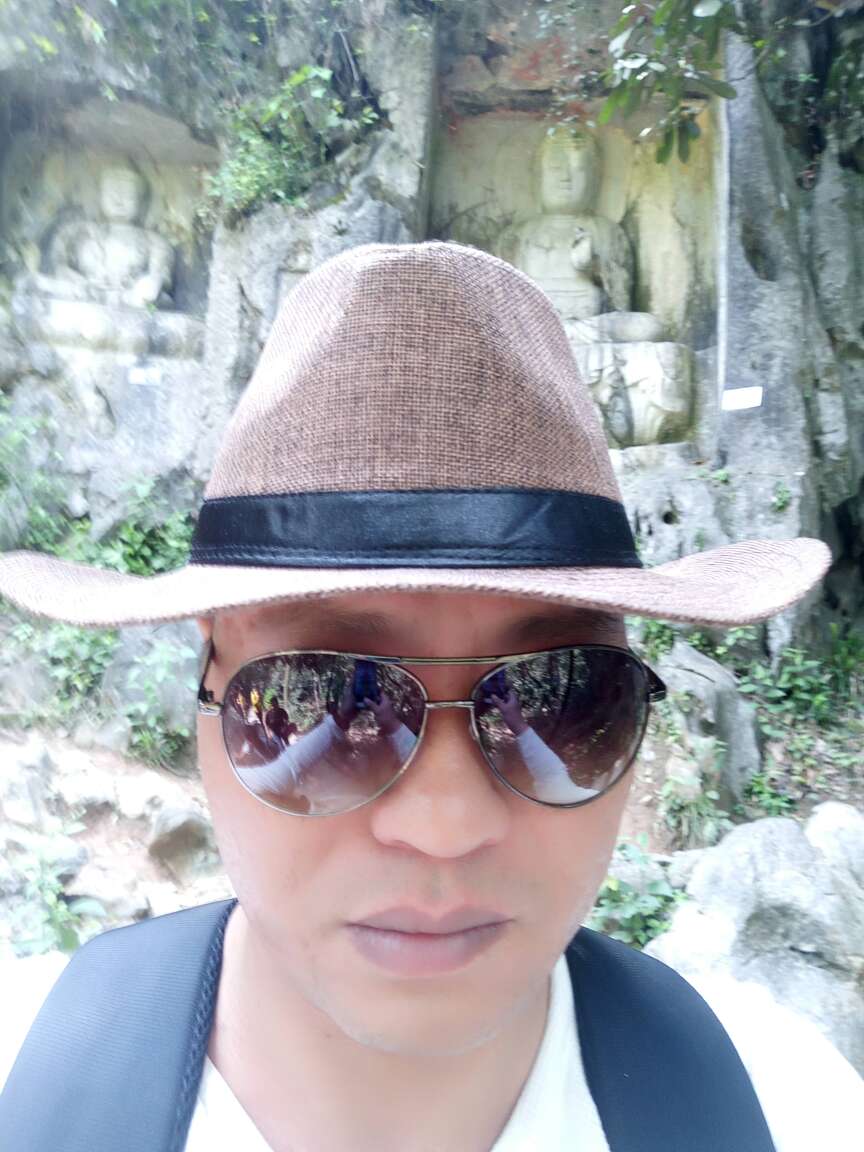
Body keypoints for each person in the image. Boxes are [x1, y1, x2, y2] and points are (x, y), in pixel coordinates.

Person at [0, 241, 860, 1151]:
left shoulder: (791, 1108)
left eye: (563, 701)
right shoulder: (28, 1080)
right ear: (202, 701)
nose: (444, 827)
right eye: (328, 703)